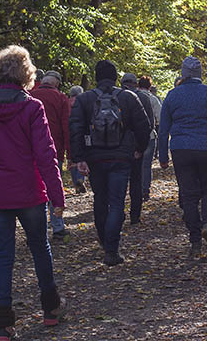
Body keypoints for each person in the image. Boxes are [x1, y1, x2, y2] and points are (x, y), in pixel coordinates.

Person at [0, 46, 67, 340]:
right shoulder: (31, 107)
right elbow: (46, 155)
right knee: (39, 248)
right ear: (26, 73)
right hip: (29, 192)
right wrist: (57, 196)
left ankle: (3, 323)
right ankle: (50, 309)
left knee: (3, 257)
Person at [69, 60, 150, 266]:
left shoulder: (85, 99)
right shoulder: (128, 97)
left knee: (99, 199)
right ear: (115, 77)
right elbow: (144, 126)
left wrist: (79, 158)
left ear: (96, 76)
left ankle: (105, 242)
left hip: (95, 158)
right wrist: (139, 149)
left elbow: (76, 128)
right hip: (121, 158)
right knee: (116, 203)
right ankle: (112, 250)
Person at [158, 56, 207, 259]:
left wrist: (162, 156)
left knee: (188, 194)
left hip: (181, 149)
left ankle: (195, 240)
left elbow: (163, 130)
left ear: (183, 73)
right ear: (199, 74)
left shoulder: (172, 95)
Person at [29, 70, 71, 242]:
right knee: (54, 187)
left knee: (36, 189)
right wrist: (70, 153)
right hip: (54, 149)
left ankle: (36, 229)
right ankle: (58, 227)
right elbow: (66, 126)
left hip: (31, 151)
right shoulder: (61, 98)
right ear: (57, 83)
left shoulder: (30, 96)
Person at [120, 73, 154, 223]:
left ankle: (118, 213)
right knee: (136, 180)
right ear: (136, 83)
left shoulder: (116, 96)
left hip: (118, 147)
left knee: (119, 181)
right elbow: (149, 124)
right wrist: (141, 148)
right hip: (136, 146)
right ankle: (135, 215)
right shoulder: (144, 98)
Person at [137, 76, 162, 201]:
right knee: (146, 165)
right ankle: (145, 191)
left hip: (133, 138)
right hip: (150, 136)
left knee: (134, 165)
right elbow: (160, 117)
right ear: (150, 86)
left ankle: (135, 190)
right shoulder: (153, 99)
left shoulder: (131, 96)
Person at [67, 85, 87, 194]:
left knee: (71, 158)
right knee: (80, 156)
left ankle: (76, 183)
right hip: (80, 132)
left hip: (68, 132)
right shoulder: (83, 101)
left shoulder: (66, 102)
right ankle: (80, 179)